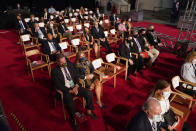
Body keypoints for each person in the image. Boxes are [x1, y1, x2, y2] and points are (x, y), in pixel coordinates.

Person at [52, 54, 97, 130]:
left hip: (74, 86)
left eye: (64, 61)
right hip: (65, 90)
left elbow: (76, 77)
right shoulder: (54, 71)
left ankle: (89, 111)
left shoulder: (70, 65)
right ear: (57, 62)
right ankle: (73, 119)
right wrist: (69, 90)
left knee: (89, 93)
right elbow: (57, 85)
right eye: (62, 63)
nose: (64, 64)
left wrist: (76, 86)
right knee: (70, 103)